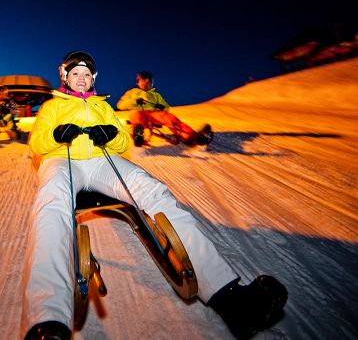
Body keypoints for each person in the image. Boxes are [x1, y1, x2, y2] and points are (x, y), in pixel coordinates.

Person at [22, 51, 287, 340]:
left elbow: (123, 140)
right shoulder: (53, 106)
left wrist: (110, 135)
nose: (82, 79)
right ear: (66, 78)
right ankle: (47, 319)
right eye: (76, 74)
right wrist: (56, 135)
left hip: (100, 160)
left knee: (150, 187)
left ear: (93, 78)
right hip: (63, 159)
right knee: (52, 202)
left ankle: (230, 298)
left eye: (86, 74)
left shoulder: (102, 105)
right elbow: (37, 143)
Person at [117, 71, 213, 147]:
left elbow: (167, 108)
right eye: (143, 80)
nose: (146, 83)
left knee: (170, 118)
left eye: (149, 81)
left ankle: (194, 138)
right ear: (138, 82)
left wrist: (162, 107)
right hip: (137, 112)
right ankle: (139, 135)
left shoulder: (156, 95)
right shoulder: (132, 92)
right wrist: (134, 101)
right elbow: (120, 105)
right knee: (137, 117)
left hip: (153, 114)